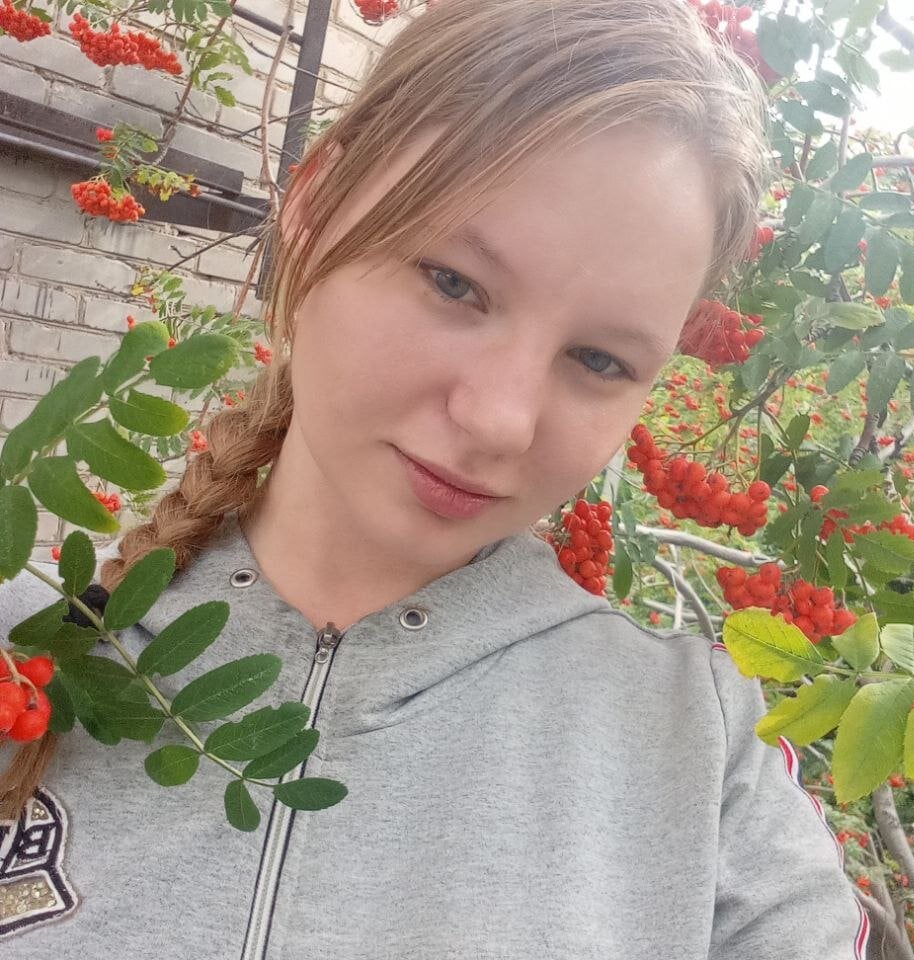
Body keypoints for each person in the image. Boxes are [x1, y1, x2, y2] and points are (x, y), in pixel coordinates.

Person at [0, 0, 870, 956]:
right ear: (314, 204)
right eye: (455, 282)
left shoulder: (701, 755)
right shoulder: (23, 662)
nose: (501, 419)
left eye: (599, 359)